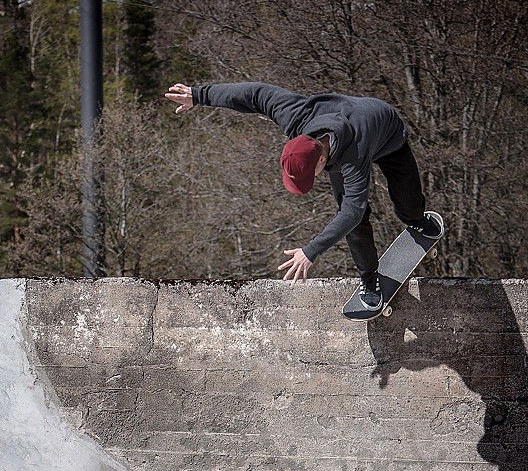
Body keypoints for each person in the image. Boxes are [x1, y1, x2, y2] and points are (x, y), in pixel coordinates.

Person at [164, 81, 442, 310]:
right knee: (353, 225)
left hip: (386, 133)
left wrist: (311, 251)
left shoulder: (353, 155)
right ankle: (370, 280)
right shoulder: (295, 115)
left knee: (396, 207)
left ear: (320, 160)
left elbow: (354, 211)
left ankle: (416, 219)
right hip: (339, 138)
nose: (314, 179)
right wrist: (199, 95)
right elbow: (254, 94)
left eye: (312, 175)